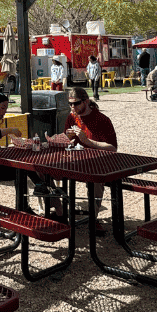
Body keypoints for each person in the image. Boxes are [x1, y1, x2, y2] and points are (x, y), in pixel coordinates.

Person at [52, 86, 117, 235]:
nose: (72, 107)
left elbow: (112, 148)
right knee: (44, 171)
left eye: (76, 103)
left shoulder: (102, 120)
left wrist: (87, 141)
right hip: (74, 160)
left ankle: (93, 219)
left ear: (86, 101)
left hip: (96, 162)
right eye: (70, 104)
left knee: (95, 180)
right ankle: (59, 211)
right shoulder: (71, 117)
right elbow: (66, 142)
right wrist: (66, 138)